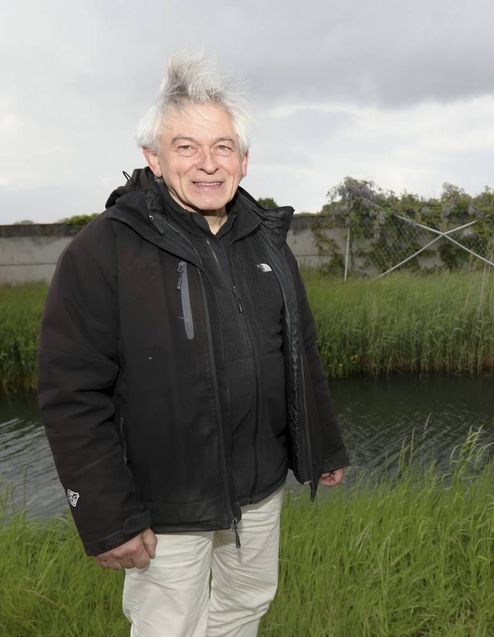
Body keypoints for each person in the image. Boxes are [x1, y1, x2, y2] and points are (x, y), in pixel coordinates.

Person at [38, 53, 349, 636]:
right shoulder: (102, 251)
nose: (208, 164)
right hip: (167, 502)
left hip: (259, 491)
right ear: (152, 159)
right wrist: (109, 517)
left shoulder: (267, 241)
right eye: (186, 147)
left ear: (245, 159)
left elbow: (298, 351)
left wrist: (322, 447)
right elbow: (71, 393)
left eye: (223, 147)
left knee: (245, 606)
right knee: (169, 627)